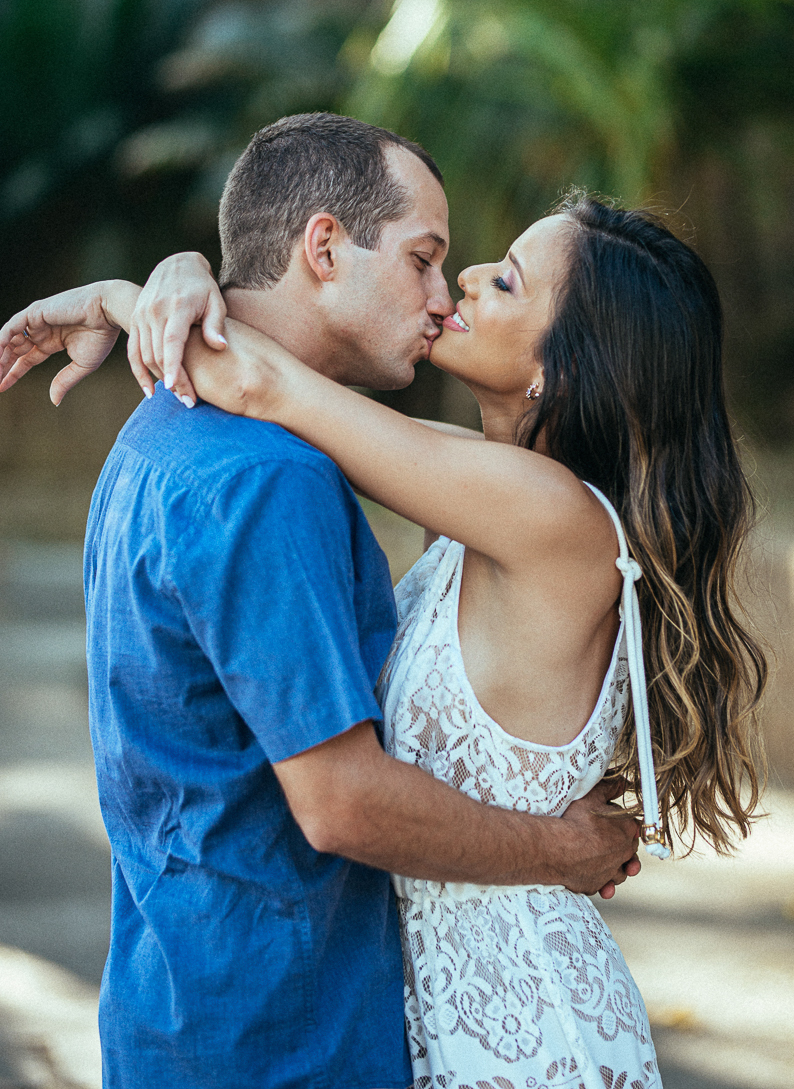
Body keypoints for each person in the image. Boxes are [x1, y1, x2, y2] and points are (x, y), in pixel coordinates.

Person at [0, 115, 643, 1089]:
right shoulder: (269, 477)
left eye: (481, 274)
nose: (447, 291)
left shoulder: (167, 427)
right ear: (325, 245)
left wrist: (142, 289)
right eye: (426, 259)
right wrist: (565, 845)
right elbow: (341, 801)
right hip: (283, 1034)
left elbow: (257, 373)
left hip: (192, 1003)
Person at [96, 194, 769, 1088]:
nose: (466, 278)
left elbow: (264, 380)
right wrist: (160, 282)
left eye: (506, 281)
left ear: (562, 368)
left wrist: (142, 294)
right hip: (418, 1006)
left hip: (520, 1024)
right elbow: (283, 376)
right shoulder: (469, 489)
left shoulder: (549, 515)